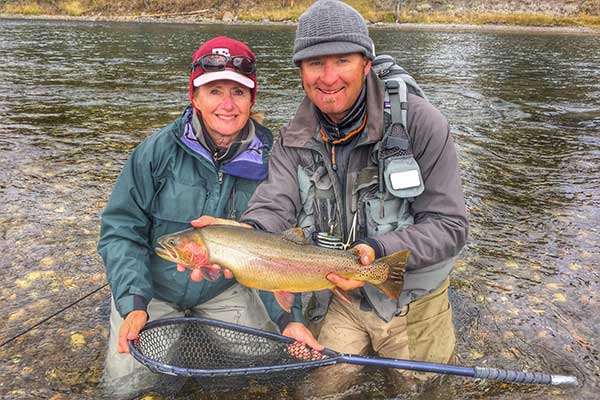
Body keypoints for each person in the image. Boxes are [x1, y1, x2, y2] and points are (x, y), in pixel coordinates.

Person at [184, 0, 468, 395]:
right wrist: (246, 235)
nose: (329, 77)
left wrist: (378, 248)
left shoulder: (421, 123)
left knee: (425, 390)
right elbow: (275, 202)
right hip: (341, 298)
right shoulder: (293, 137)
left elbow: (451, 227)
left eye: (342, 61)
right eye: (316, 63)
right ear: (301, 71)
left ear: (365, 64)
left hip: (412, 300)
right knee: (316, 391)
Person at [97, 36, 309, 399]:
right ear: (194, 97)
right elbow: (120, 232)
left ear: (251, 99)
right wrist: (134, 302)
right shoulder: (155, 153)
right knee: (125, 386)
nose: (227, 105)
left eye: (238, 93)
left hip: (226, 286)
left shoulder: (273, 160)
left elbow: (279, 253)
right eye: (214, 91)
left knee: (269, 356)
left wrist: (290, 320)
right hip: (153, 290)